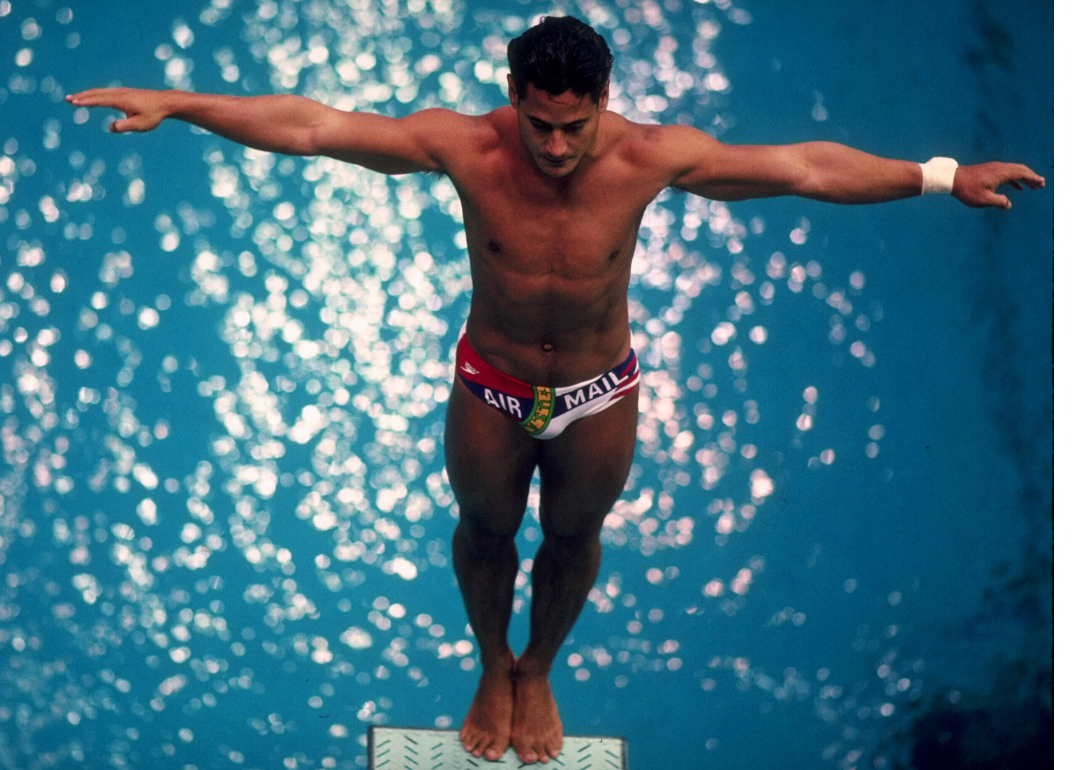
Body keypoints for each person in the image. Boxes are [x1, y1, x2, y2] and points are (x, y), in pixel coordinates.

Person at [67, 15, 1044, 765]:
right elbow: (317, 125)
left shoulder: (652, 155)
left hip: (595, 389)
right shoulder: (465, 146)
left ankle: (540, 671)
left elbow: (800, 167)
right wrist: (180, 100)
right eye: (540, 124)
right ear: (514, 96)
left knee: (575, 537)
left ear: (603, 101)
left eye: (574, 126)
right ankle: (494, 664)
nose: (557, 147)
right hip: (490, 381)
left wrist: (940, 174)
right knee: (483, 532)